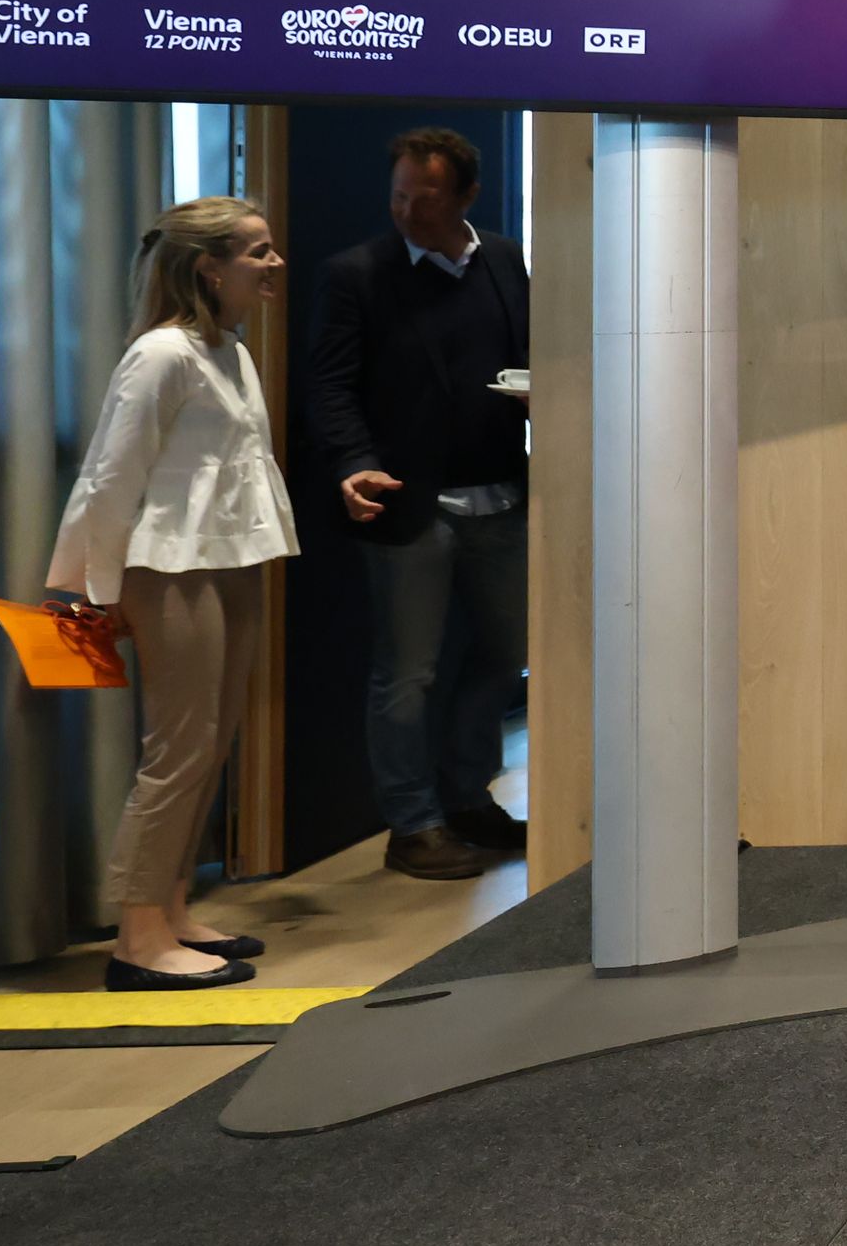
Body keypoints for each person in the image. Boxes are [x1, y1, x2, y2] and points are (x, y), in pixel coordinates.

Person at [50, 196, 300, 989]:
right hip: (167, 566)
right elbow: (111, 473)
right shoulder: (161, 354)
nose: (274, 263)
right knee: (179, 747)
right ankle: (139, 937)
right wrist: (95, 587)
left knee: (215, 739)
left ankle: (174, 907)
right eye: (258, 252)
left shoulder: (226, 347)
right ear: (208, 267)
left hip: (231, 558)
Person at [304, 125, 532, 880]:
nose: (407, 212)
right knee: (408, 672)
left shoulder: (501, 256)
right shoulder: (357, 274)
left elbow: (528, 355)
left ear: (466, 194)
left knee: (508, 655)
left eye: (425, 199)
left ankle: (468, 797)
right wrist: (355, 463)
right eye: (398, 195)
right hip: (410, 502)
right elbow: (332, 386)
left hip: (503, 494)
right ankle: (414, 824)